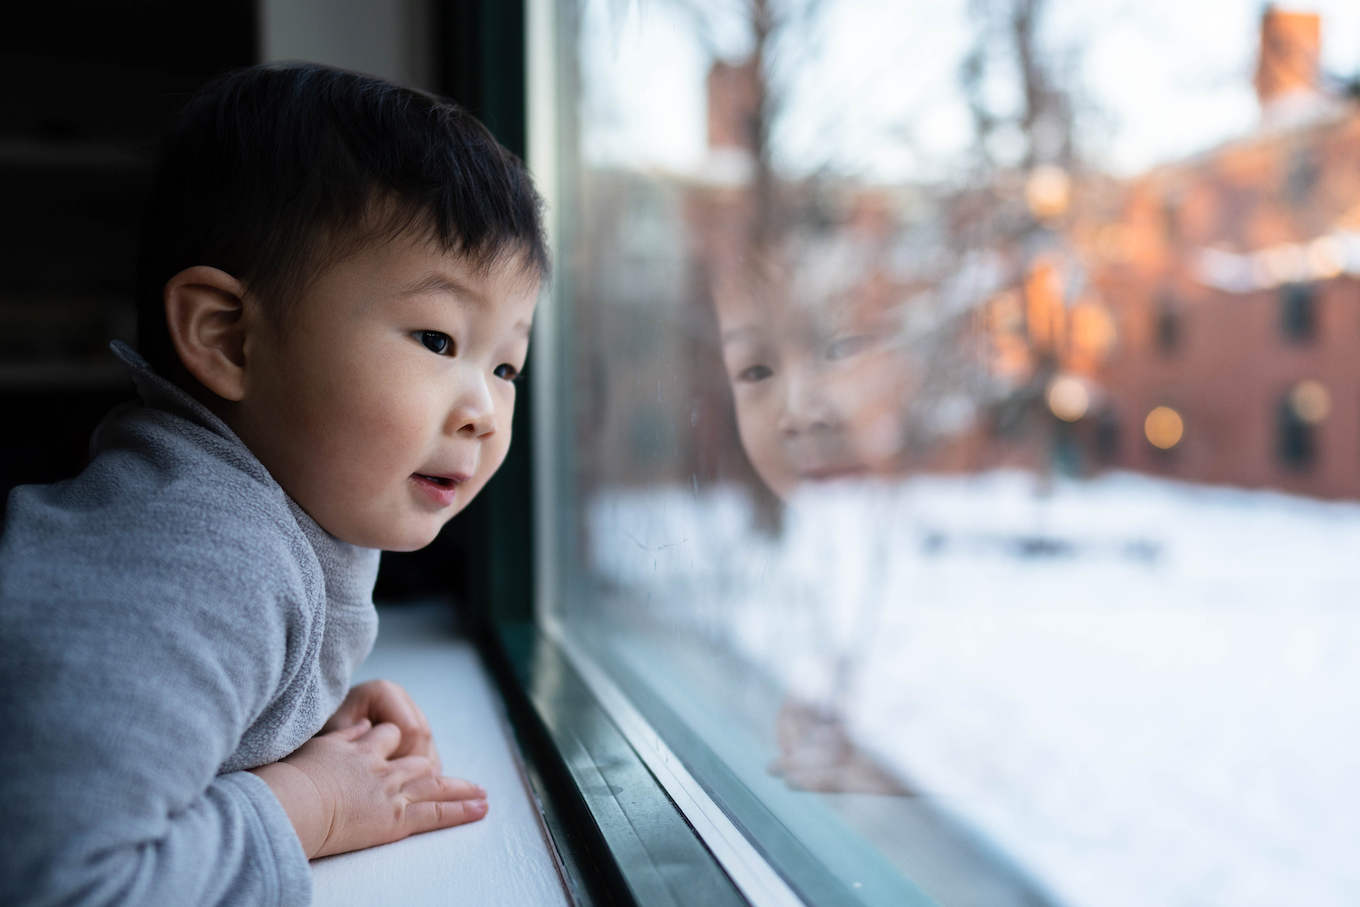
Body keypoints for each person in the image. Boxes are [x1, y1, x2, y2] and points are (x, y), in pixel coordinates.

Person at [0, 63, 546, 906]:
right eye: (438, 340)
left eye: (506, 363)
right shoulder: (198, 558)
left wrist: (286, 722)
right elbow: (64, 877)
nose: (485, 411)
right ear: (228, 338)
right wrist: (311, 804)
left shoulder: (240, 533)